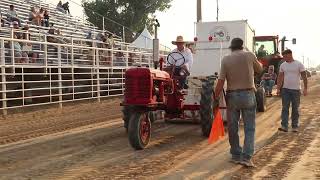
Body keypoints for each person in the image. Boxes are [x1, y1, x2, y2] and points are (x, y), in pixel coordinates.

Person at [214, 38, 263, 167]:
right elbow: (260, 69)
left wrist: (216, 96)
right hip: (248, 94)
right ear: (242, 46)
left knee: (232, 127)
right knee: (249, 127)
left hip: (232, 96)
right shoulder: (249, 55)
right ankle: (246, 157)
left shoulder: (225, 59)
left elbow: (220, 81)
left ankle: (236, 154)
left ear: (232, 47)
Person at [276, 49, 308, 132]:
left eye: (286, 56)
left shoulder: (299, 64)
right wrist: (278, 88)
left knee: (295, 109)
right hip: (285, 89)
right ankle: (284, 126)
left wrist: (305, 88)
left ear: (290, 54)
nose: (284, 58)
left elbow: (304, 77)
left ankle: (295, 126)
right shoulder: (283, 65)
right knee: (285, 108)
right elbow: (280, 77)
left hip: (296, 90)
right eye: (284, 56)